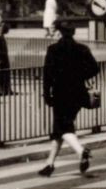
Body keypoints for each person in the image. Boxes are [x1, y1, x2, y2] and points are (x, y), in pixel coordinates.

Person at [38, 20, 99, 177]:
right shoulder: (82, 49)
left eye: (54, 31)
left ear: (59, 32)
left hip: (60, 93)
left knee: (63, 128)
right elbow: (94, 68)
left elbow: (47, 75)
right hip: (78, 92)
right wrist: (79, 75)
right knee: (62, 129)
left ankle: (81, 151)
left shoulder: (53, 50)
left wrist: (46, 94)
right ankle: (49, 164)